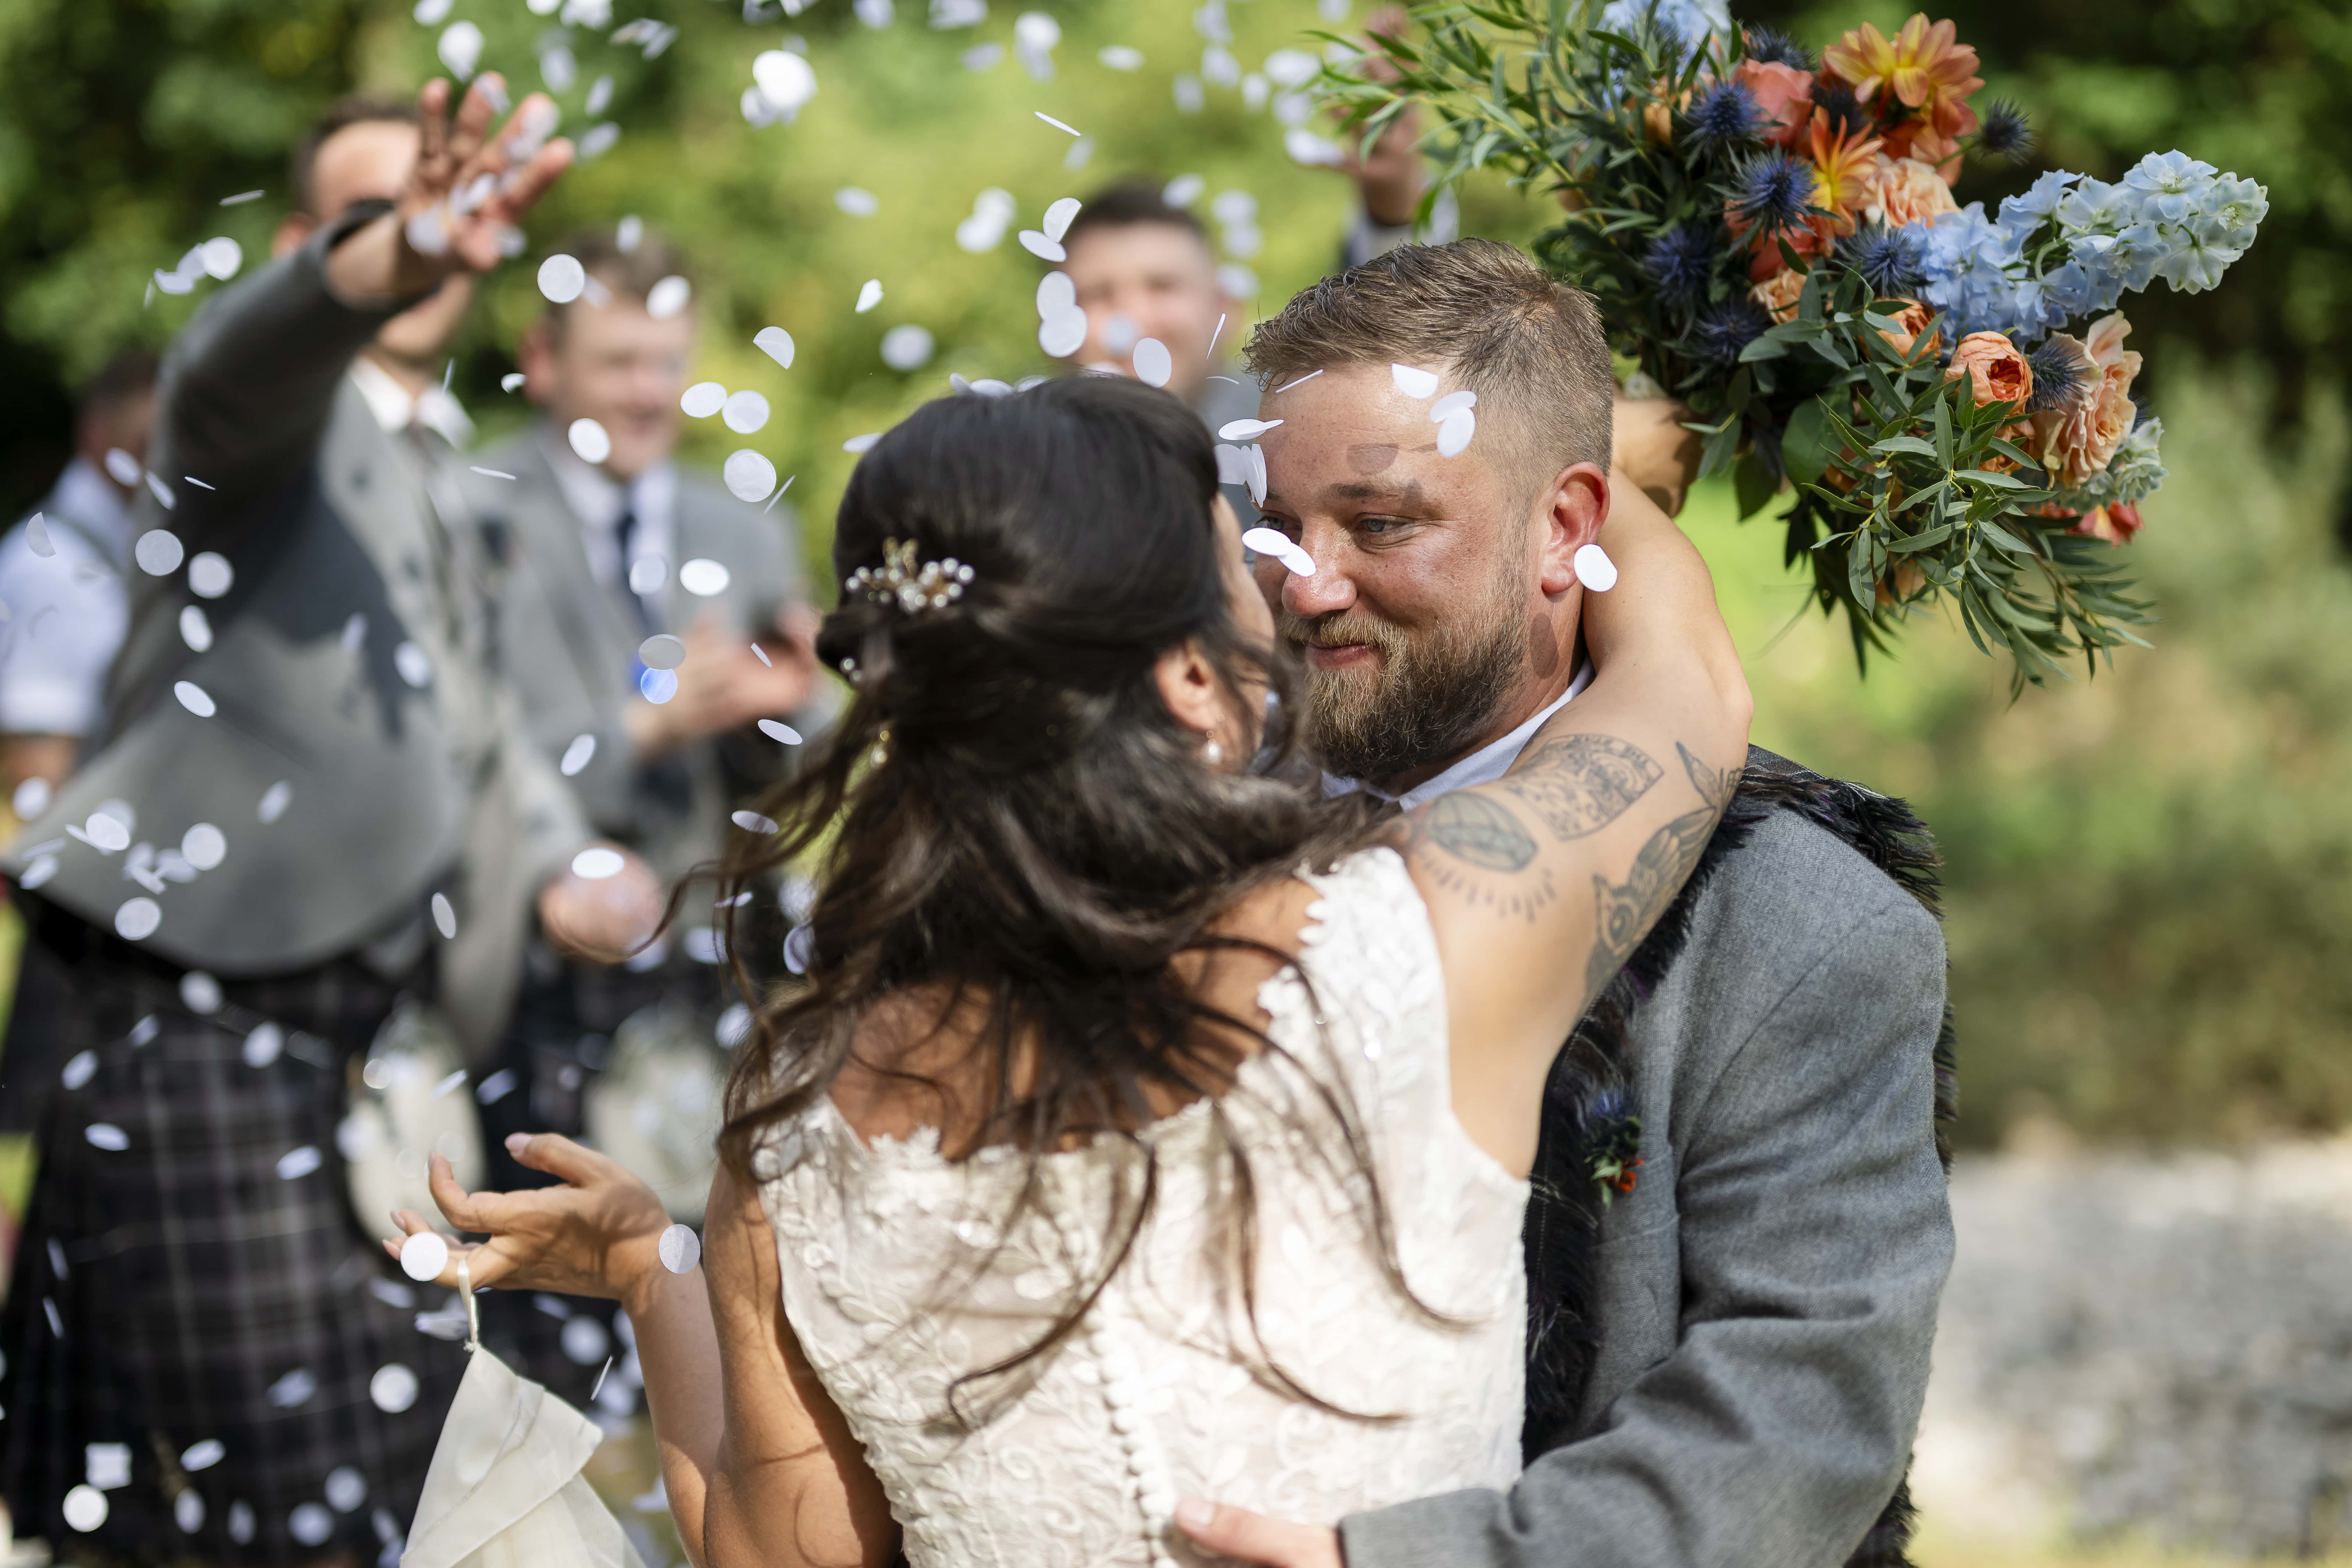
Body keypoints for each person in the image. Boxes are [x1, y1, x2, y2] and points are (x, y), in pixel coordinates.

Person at [384, 372, 1752, 1565]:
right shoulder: (1423, 945)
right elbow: (1688, 682)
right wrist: (1575, 468)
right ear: (1193, 682)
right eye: (1241, 572)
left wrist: (649, 1268)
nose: (1283, 597)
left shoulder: (796, 1123)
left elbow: (771, 1553)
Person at [1167, 242, 1955, 1567]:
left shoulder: (1800, 922)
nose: (1307, 582)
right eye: (1279, 522)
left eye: (1381, 523)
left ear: (1564, 527)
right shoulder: (1162, 831)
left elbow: (1801, 1411)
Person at [0, 77, 659, 1563]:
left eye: (441, 205)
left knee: (296, 1491)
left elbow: (475, 718)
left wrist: (568, 853)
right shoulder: (253, 423)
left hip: (352, 1044)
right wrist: (384, 257)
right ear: (306, 244)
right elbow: (242, 353)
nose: (426, 230)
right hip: (192, 1011)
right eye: (372, 210)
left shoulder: (445, 457)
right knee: (305, 1500)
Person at [465, 223, 824, 1399]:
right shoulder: (471, 512)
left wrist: (782, 711)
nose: (646, 393)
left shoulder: (744, 525)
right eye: (617, 362)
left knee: (722, 1326)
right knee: (551, 1341)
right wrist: (643, 729)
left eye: (665, 362)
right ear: (543, 360)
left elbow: (805, 763)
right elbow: (466, 755)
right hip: (541, 970)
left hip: (711, 972)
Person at [0, 348, 159, 805]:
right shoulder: (49, 568)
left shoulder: (121, 544)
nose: (164, 460)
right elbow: (39, 775)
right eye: (147, 443)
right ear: (95, 431)